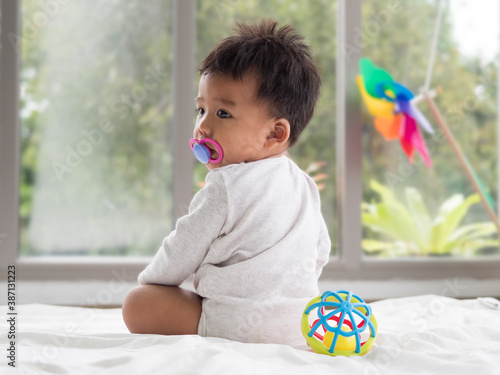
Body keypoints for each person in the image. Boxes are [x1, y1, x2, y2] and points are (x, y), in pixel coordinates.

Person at [122, 19, 331, 347]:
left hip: (232, 323)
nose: (202, 127)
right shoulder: (305, 185)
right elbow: (320, 251)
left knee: (138, 303)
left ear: (275, 134)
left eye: (222, 114)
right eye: (200, 109)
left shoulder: (226, 184)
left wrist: (154, 282)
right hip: (298, 325)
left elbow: (184, 247)